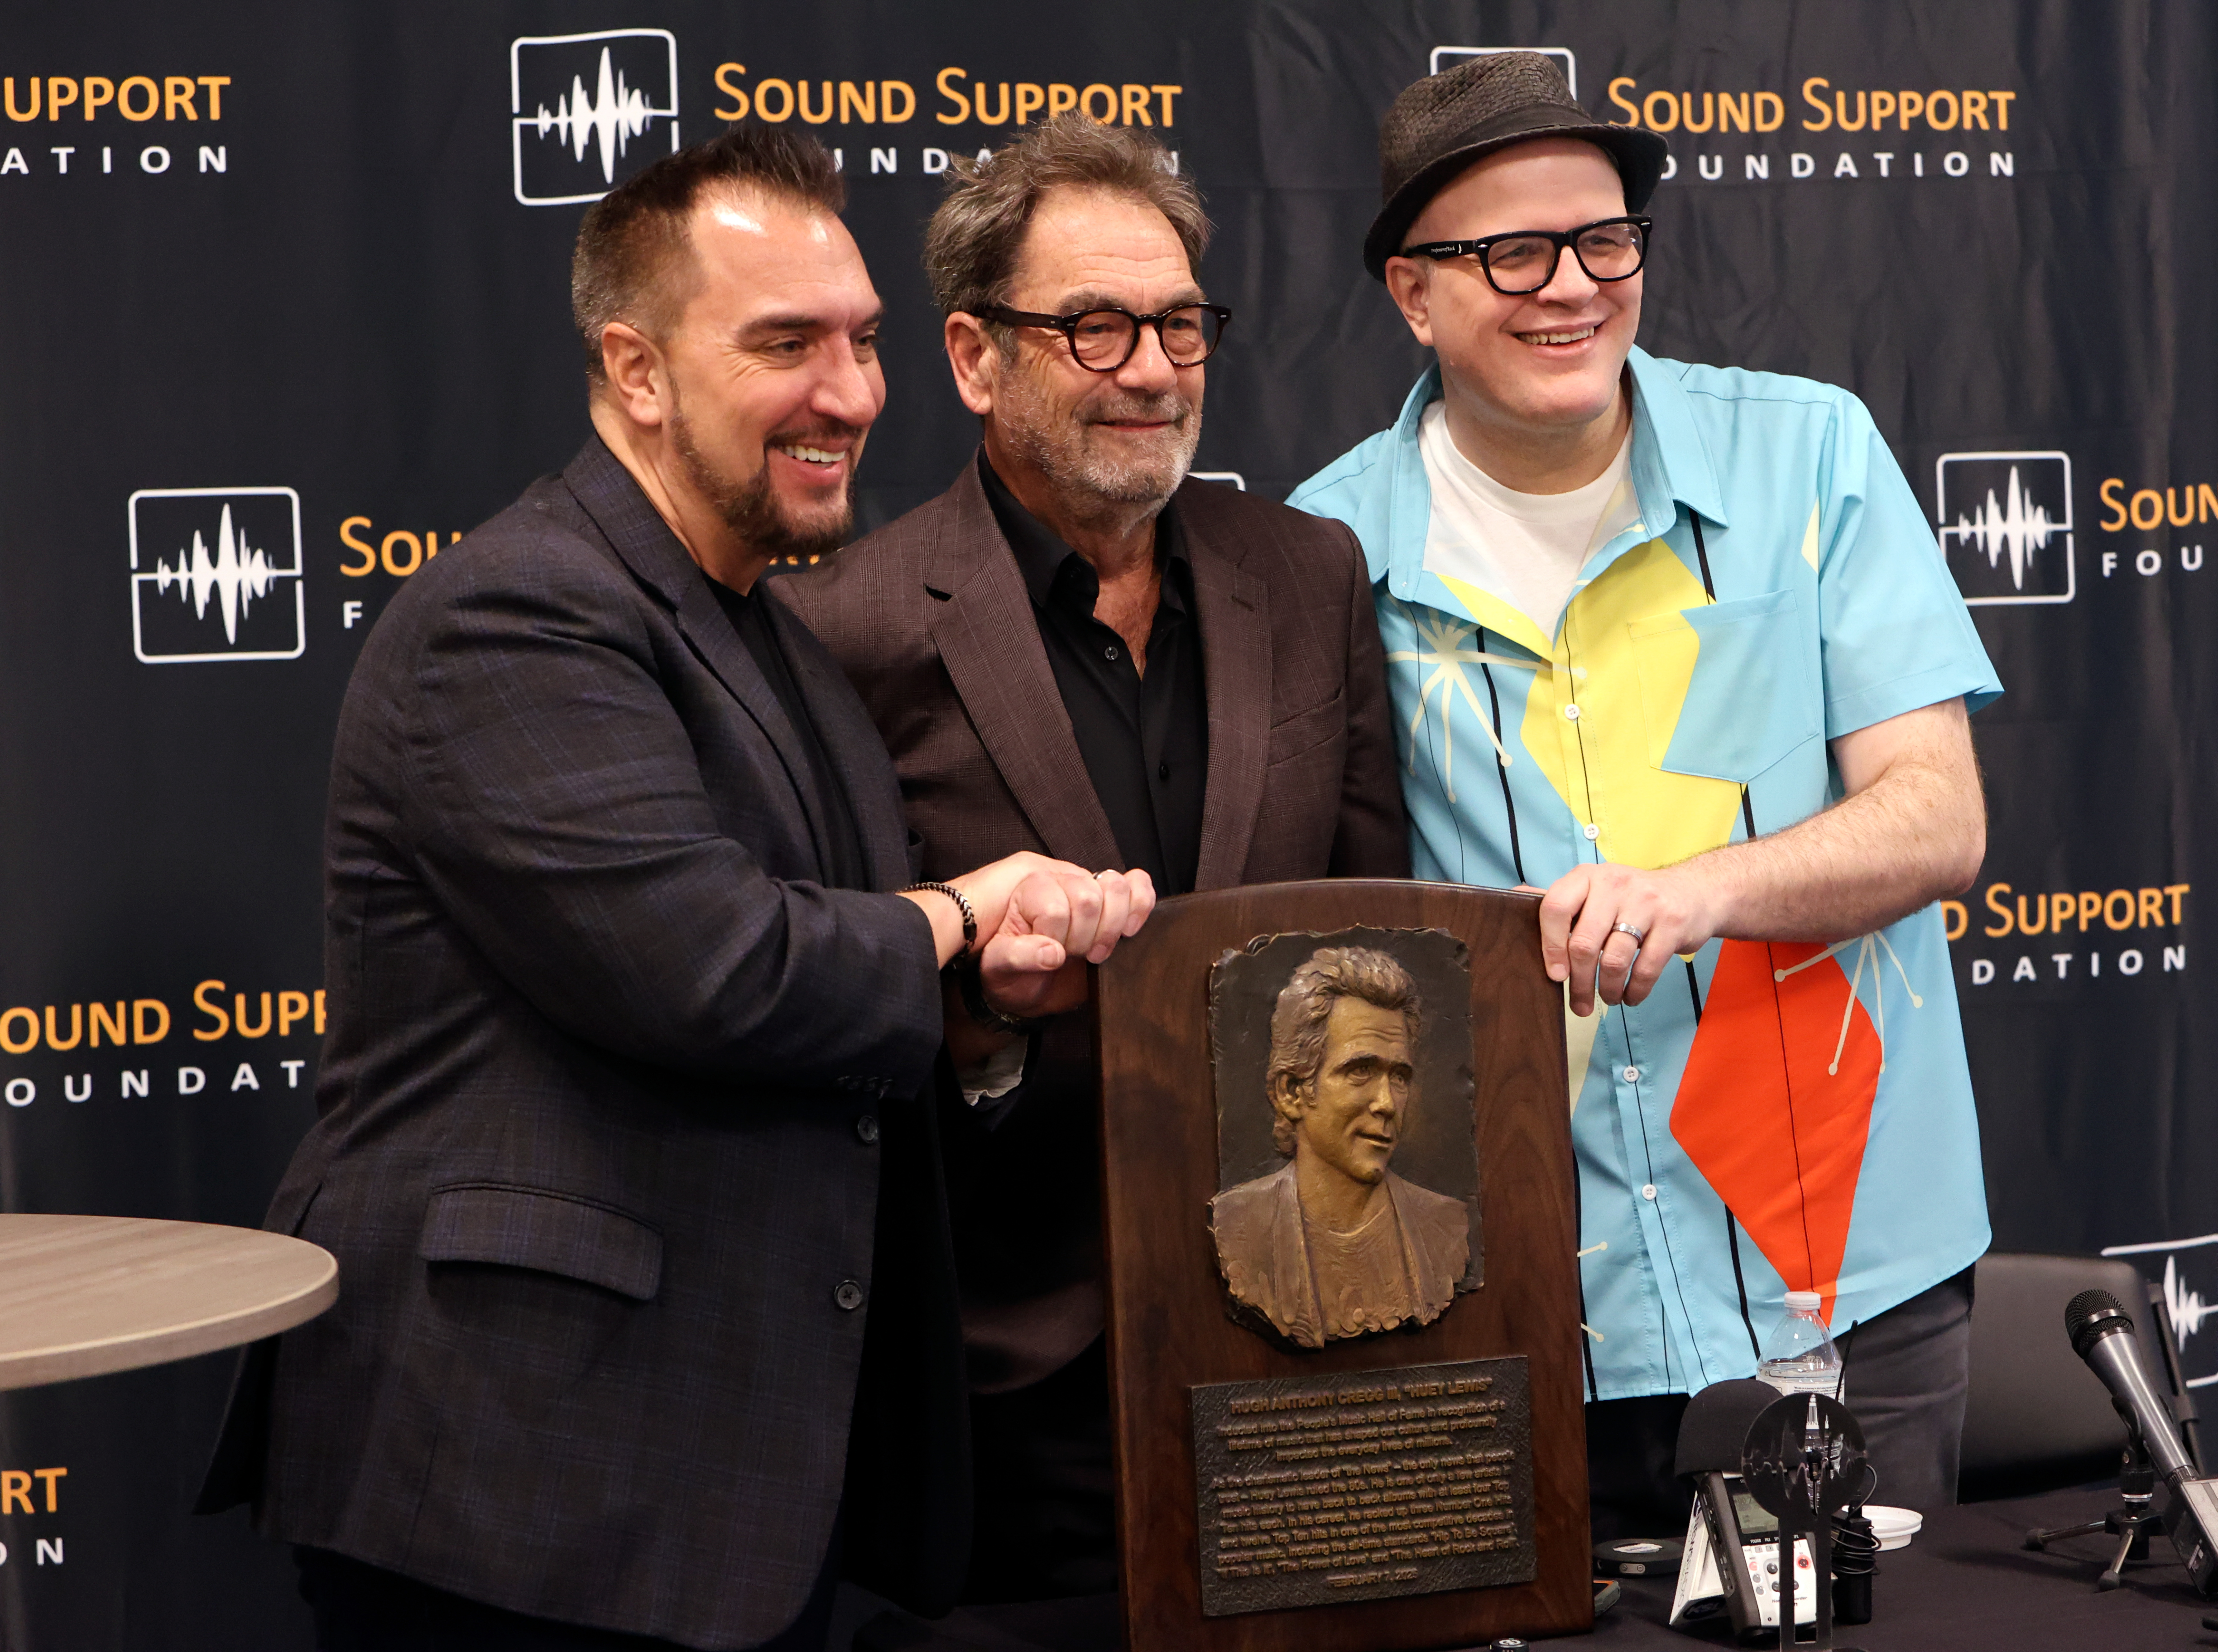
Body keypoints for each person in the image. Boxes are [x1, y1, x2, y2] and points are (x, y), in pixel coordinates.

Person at [195, 126, 1154, 1651]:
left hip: (714, 1491)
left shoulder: (777, 639)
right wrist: (969, 911)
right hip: (514, 1491)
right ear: (638, 370)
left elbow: (838, 1002)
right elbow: (711, 965)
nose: (848, 392)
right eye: (785, 343)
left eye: (861, 341)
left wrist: (981, 1016)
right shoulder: (518, 611)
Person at [1290, 53, 2000, 1532]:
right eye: (1510, 250)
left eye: (1604, 238)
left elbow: (1938, 815)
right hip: (1538, 1298)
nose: (1571, 285)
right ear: (1412, 293)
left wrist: (1700, 892)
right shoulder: (1323, 549)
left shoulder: (1809, 455)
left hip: (1848, 1271)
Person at [776, 114, 1407, 1601]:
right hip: (1019, 1378)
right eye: (1097, 325)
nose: (1150, 366)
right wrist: (988, 1030)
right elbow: (816, 1010)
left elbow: (1390, 936)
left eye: (1180, 321)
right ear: (977, 357)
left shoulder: (1306, 573)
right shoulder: (847, 628)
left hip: (1314, 1355)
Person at [1211, 946, 1470, 1349]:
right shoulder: (1238, 1226)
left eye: (1399, 1077)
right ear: (1292, 1092)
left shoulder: (1446, 1227)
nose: (1386, 1103)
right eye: (1360, 1071)